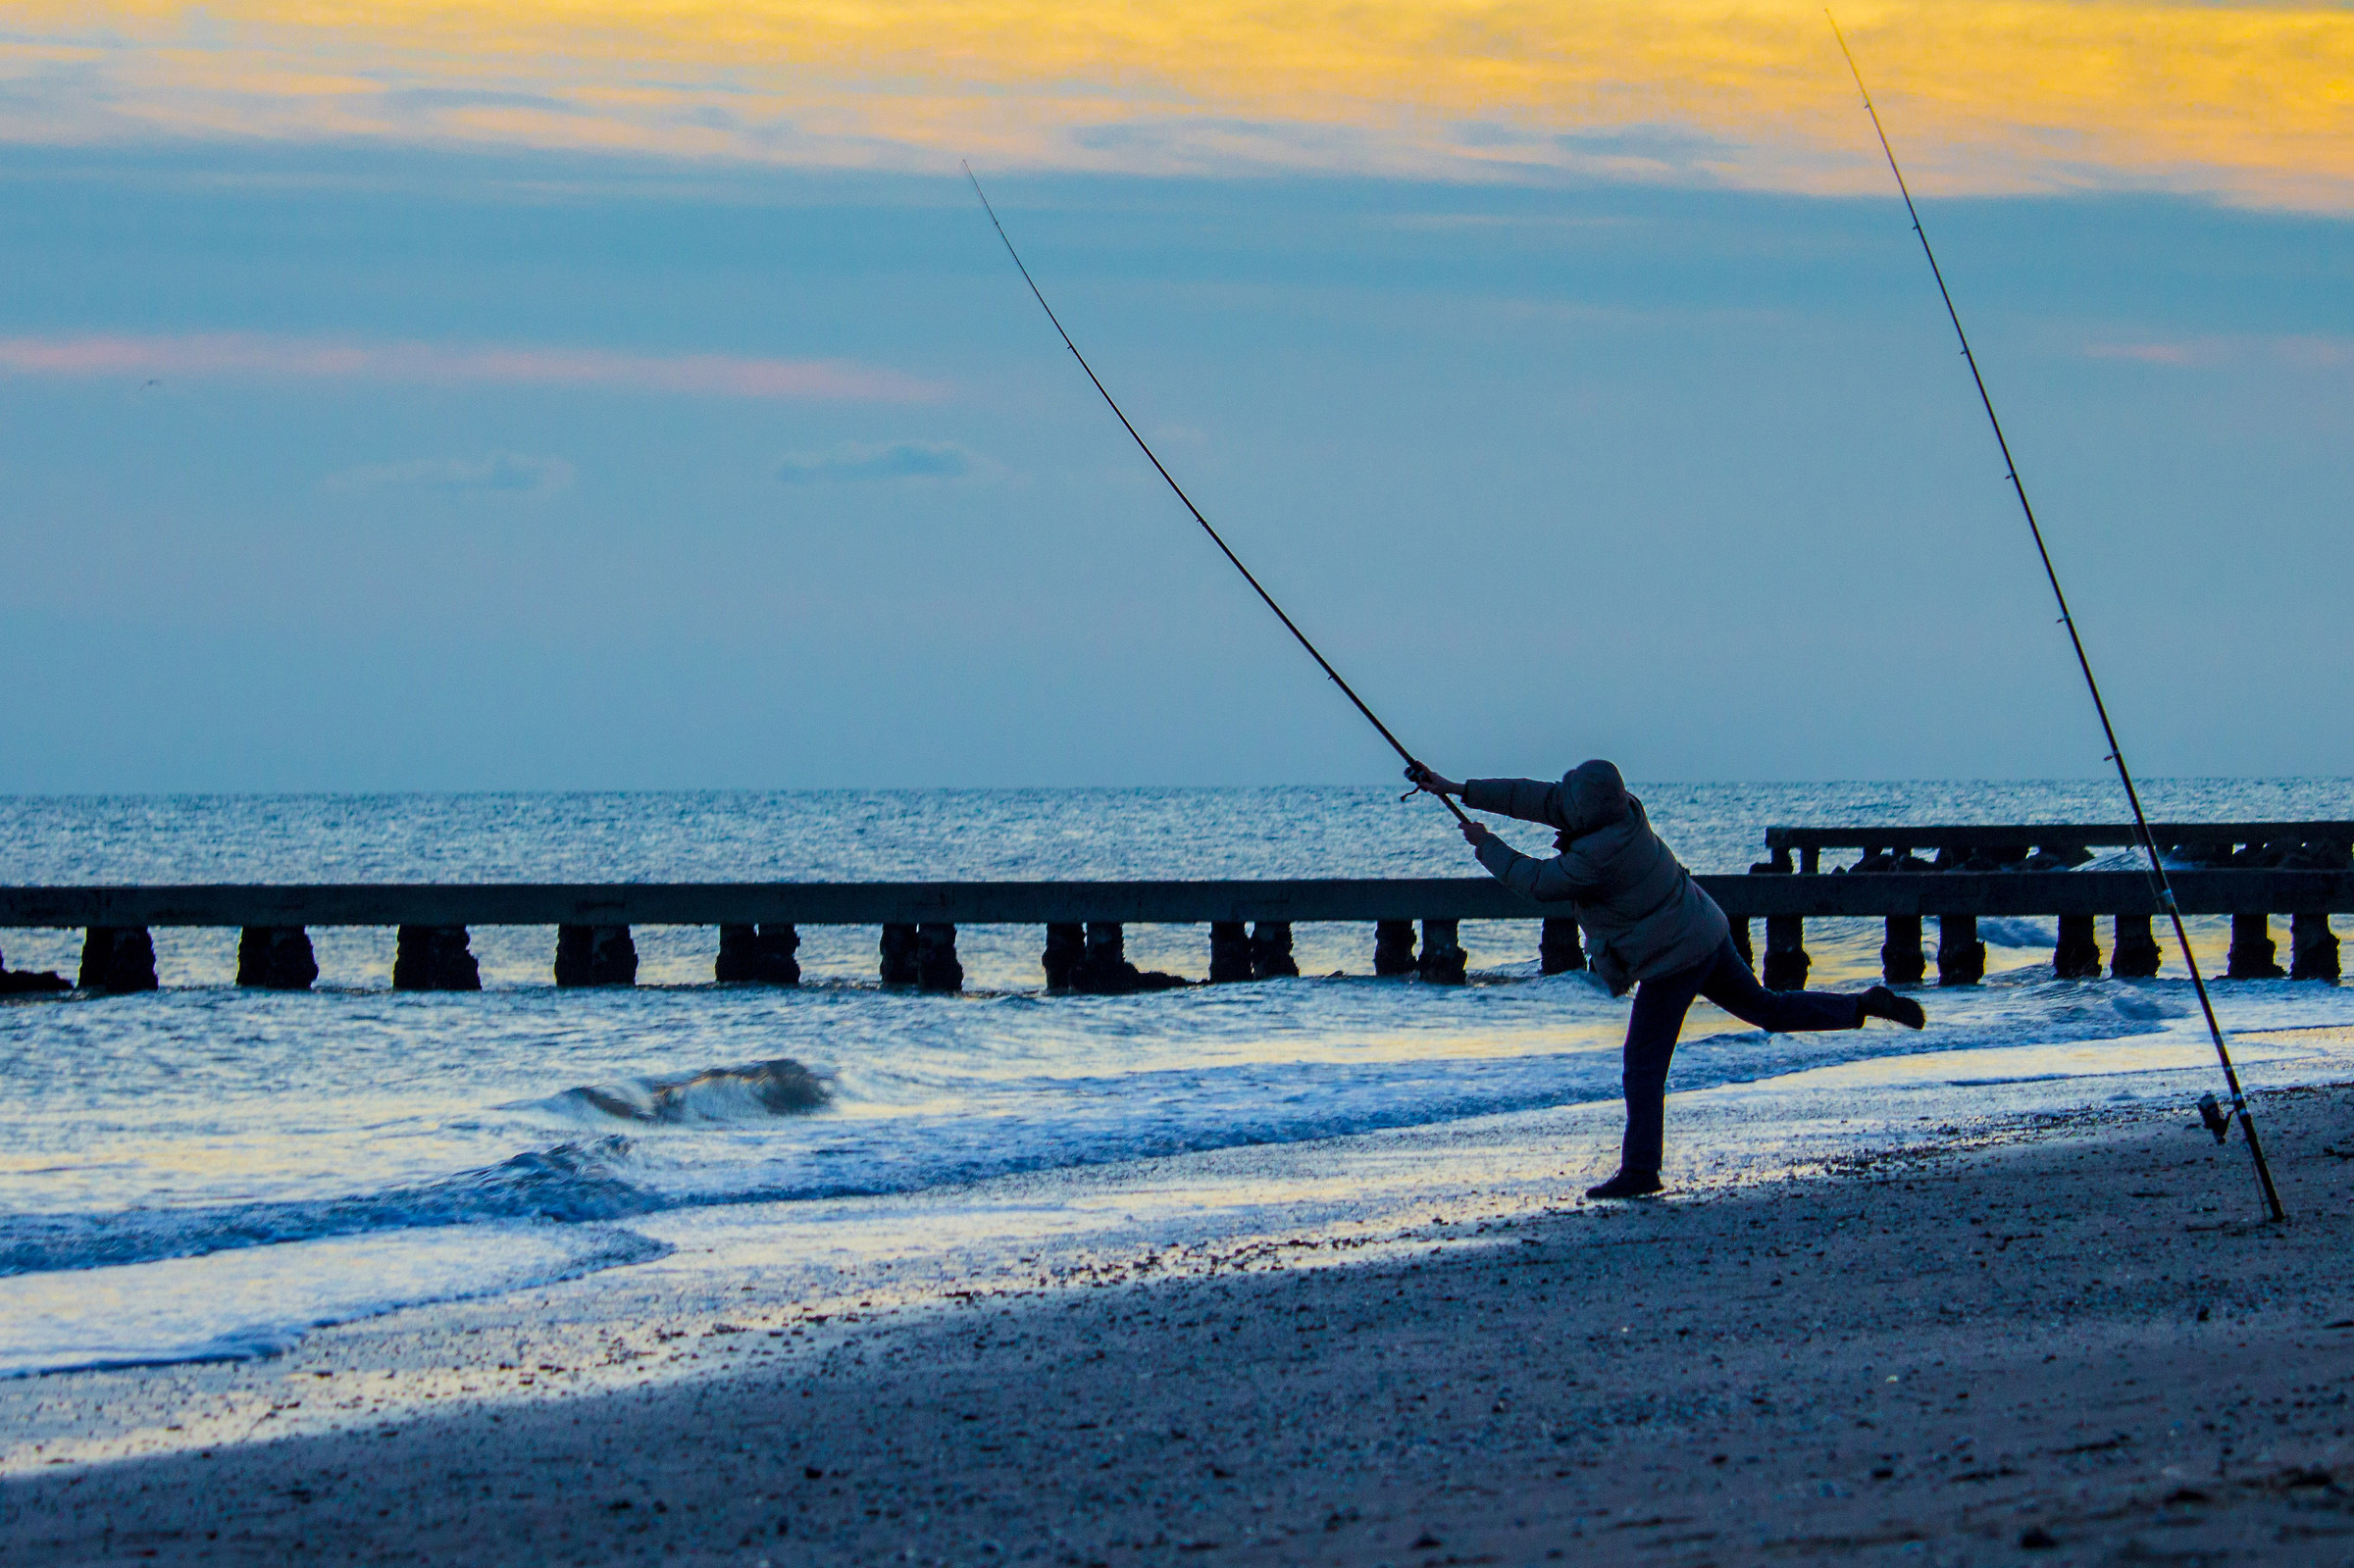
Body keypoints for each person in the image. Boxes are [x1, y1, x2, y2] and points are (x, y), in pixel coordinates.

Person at [1407, 759, 1923, 1199]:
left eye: (1570, 797)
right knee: (1767, 1008)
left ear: (1586, 809)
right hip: (1704, 928)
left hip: (1672, 958)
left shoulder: (1599, 857)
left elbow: (1538, 882)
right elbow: (1535, 798)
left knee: (1643, 1065)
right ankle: (1863, 1004)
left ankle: (1640, 1171)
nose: (1560, 801)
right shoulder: (1626, 811)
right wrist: (1455, 787)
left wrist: (1486, 844)